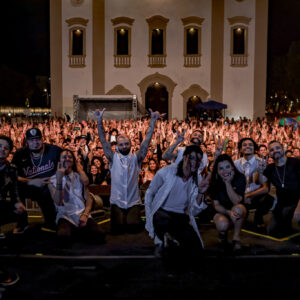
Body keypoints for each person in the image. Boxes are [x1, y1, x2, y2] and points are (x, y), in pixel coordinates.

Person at [95, 108, 164, 234]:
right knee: (118, 229)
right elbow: (103, 141)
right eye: (121, 144)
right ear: (117, 146)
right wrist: (99, 121)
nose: (124, 146)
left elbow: (146, 141)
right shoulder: (112, 157)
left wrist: (153, 121)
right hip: (117, 201)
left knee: (133, 227)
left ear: (130, 144)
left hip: (133, 202)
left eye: (126, 144)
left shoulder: (136, 158)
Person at [145, 145, 209, 256]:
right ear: (184, 157)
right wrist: (149, 215)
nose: (195, 162)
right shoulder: (166, 172)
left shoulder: (197, 179)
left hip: (181, 217)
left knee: (196, 248)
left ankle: (172, 237)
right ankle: (161, 240)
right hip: (162, 213)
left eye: (198, 159)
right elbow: (150, 193)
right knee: (163, 220)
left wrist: (200, 193)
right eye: (192, 158)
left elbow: (195, 211)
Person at [48, 150, 105, 244]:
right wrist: (59, 181)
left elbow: (89, 199)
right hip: (65, 216)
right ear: (59, 161)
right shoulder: (52, 180)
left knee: (99, 235)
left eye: (70, 157)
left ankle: (77, 231)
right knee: (63, 238)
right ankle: (75, 231)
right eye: (64, 157)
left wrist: (86, 214)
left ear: (74, 161)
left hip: (81, 213)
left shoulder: (80, 177)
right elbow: (58, 201)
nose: (67, 159)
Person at [12, 128, 62, 229]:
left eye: (38, 139)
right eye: (31, 140)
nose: (35, 143)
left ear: (42, 139)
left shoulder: (54, 150)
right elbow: (12, 176)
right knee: (15, 188)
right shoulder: (20, 153)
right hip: (28, 187)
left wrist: (81, 172)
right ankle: (22, 223)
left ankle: (51, 220)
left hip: (49, 187)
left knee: (52, 223)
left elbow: (70, 161)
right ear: (27, 141)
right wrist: (31, 181)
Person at [0, 135, 27, 287]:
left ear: (9, 152)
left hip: (2, 204)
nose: (2, 150)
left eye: (5, 148)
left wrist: (17, 202)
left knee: (22, 212)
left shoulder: (12, 169)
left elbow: (15, 190)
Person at [209, 154, 247, 251]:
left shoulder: (240, 177)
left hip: (238, 210)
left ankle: (236, 237)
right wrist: (228, 212)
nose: (225, 171)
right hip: (221, 211)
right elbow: (216, 205)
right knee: (222, 225)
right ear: (217, 171)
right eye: (221, 168)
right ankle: (222, 234)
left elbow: (236, 201)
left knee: (238, 209)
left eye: (227, 167)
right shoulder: (214, 181)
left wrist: (227, 183)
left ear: (232, 167)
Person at [263, 140, 300, 236]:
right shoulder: (270, 168)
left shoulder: (296, 163)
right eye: (272, 150)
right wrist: (259, 170)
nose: (275, 151)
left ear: (283, 148)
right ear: (269, 153)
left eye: (277, 148)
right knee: (271, 231)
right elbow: (259, 182)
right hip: (282, 203)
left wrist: (298, 208)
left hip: (297, 201)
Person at [234, 138, 272, 229]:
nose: (247, 146)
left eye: (250, 145)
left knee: (269, 200)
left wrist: (249, 195)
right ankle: (243, 212)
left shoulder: (261, 163)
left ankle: (258, 216)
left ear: (254, 149)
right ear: (240, 149)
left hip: (256, 196)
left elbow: (266, 188)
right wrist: (243, 196)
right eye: (244, 145)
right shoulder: (235, 164)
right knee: (240, 220)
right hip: (241, 196)